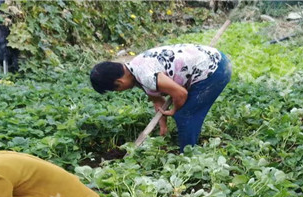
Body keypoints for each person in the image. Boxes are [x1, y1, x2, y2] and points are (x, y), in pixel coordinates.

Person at [90, 44, 232, 152]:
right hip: (212, 59)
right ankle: (188, 144)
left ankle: (188, 154)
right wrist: (163, 127)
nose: (119, 92)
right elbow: (157, 100)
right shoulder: (135, 68)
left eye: (116, 89)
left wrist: (175, 110)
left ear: (120, 82)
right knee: (185, 112)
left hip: (215, 69)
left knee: (185, 115)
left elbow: (181, 94)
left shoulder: (145, 75)